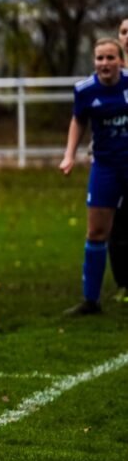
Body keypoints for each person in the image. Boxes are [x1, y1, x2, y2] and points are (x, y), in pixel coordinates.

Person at [59, 37, 128, 315]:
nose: (105, 63)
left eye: (110, 58)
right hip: (106, 168)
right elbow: (78, 120)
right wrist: (69, 155)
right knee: (97, 231)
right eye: (100, 58)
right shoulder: (85, 90)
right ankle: (91, 300)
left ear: (121, 61)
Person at [108, 18, 128, 303]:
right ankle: (124, 282)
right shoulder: (109, 72)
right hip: (117, 160)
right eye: (123, 31)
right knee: (118, 221)